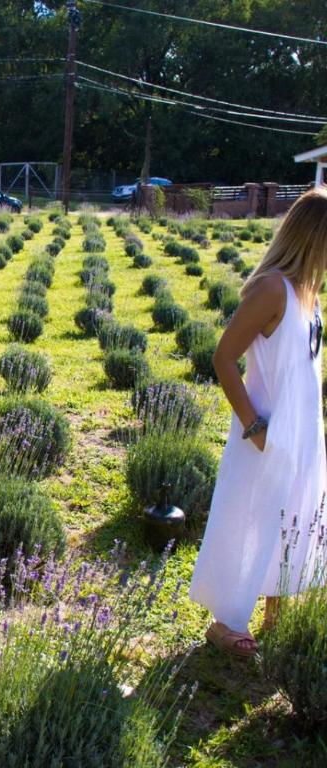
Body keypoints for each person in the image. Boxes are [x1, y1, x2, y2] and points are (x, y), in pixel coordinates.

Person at [189, 189, 327, 657]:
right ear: (314, 238)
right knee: (248, 515)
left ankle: (277, 609)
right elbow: (224, 358)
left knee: (290, 516)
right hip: (264, 434)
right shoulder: (272, 289)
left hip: (302, 433)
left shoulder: (311, 293)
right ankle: (225, 621)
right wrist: (255, 428)